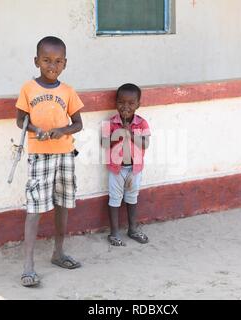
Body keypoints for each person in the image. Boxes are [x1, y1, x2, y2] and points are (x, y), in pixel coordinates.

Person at [15, 36, 84, 287]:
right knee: (34, 209)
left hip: (65, 155)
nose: (51, 65)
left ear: (64, 64)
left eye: (57, 61)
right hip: (39, 155)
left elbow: (78, 124)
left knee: (62, 205)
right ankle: (28, 266)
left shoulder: (68, 92)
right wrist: (35, 128)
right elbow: (19, 119)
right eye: (46, 60)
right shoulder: (28, 88)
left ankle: (58, 252)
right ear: (36, 61)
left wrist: (62, 131)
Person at [101, 83, 151, 246]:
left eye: (131, 103)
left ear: (138, 104)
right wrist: (119, 133)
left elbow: (145, 144)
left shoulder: (141, 123)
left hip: (134, 169)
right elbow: (104, 143)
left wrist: (130, 133)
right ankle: (114, 232)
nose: (125, 107)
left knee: (132, 197)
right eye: (121, 102)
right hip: (117, 169)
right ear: (116, 103)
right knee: (115, 199)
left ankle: (133, 229)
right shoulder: (110, 123)